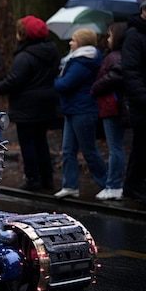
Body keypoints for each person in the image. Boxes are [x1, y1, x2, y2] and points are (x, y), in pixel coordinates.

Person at [0, 15, 58, 191]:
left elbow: (16, 79)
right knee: (41, 141)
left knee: (28, 142)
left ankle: (33, 179)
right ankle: (47, 178)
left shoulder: (24, 56)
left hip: (26, 105)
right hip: (45, 103)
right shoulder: (51, 52)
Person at [53, 28, 107, 198]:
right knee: (68, 150)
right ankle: (70, 185)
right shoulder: (76, 59)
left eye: (74, 40)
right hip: (73, 109)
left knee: (89, 150)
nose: (70, 43)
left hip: (82, 110)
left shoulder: (82, 61)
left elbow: (65, 84)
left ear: (82, 43)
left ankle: (108, 183)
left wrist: (56, 80)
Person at [90, 22, 128, 201]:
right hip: (111, 106)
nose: (107, 39)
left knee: (115, 148)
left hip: (111, 106)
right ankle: (114, 183)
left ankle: (114, 185)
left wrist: (97, 87)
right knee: (116, 147)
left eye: (110, 36)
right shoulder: (115, 56)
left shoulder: (115, 57)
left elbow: (116, 75)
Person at [121, 0, 146, 205]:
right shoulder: (134, 35)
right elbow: (131, 71)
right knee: (141, 145)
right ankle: (133, 186)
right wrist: (142, 96)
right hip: (141, 102)